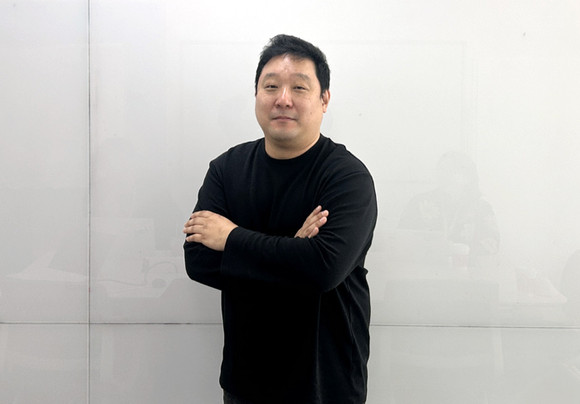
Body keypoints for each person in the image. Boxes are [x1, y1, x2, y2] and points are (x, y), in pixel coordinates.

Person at [183, 34, 377, 404]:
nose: (283, 99)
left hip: (325, 382)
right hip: (245, 382)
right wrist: (293, 251)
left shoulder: (346, 177)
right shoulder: (226, 169)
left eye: (299, 87)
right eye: (271, 86)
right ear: (256, 94)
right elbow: (199, 262)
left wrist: (231, 238)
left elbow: (323, 269)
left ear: (324, 99)